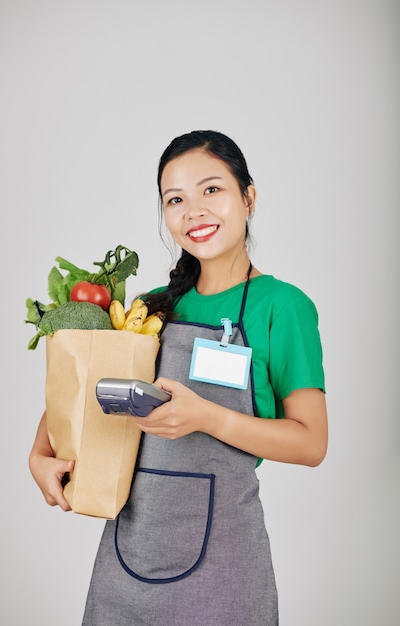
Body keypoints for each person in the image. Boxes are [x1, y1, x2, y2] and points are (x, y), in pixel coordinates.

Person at [29, 130, 328, 625]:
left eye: (211, 190)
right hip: (128, 554)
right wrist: (39, 457)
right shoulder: (148, 309)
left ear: (248, 197)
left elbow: (311, 442)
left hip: (226, 565)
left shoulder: (284, 307)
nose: (193, 211)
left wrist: (206, 417)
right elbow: (79, 397)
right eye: (175, 199)